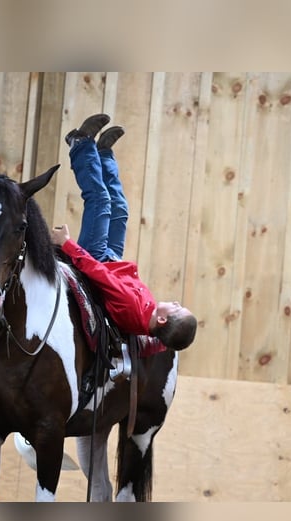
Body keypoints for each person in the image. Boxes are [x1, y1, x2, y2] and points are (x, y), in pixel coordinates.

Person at [51, 113, 197, 351]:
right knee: (120, 209)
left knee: (100, 201)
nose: (177, 302)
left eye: (178, 308)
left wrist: (67, 244)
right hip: (114, 261)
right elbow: (162, 344)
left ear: (162, 319)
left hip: (96, 259)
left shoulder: (133, 308)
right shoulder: (152, 320)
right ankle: (104, 155)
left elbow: (99, 274)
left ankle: (80, 145)